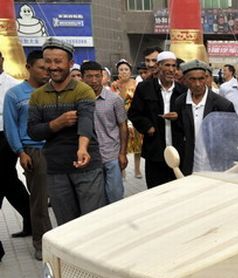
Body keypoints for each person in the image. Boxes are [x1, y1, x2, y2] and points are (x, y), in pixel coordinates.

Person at [28, 38, 106, 226]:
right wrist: (57, 123)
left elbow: (86, 121)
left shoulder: (83, 90)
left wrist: (82, 149)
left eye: (58, 61)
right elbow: (33, 131)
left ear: (70, 64)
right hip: (55, 168)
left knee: (92, 222)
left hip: (86, 166)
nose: (52, 66)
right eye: (48, 61)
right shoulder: (37, 96)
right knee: (66, 226)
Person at [3, 50, 51, 260]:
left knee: (63, 197)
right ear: (29, 67)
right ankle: (41, 243)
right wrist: (21, 152)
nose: (46, 72)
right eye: (42, 68)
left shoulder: (54, 91)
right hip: (34, 151)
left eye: (49, 68)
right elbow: (11, 127)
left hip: (57, 150)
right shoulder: (15, 94)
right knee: (39, 201)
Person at [128, 51, 186, 188]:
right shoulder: (144, 88)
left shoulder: (182, 91)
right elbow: (134, 113)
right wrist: (148, 127)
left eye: (174, 66)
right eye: (167, 65)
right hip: (155, 150)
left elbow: (189, 117)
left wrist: (178, 117)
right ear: (158, 66)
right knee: (156, 190)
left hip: (178, 151)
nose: (171, 69)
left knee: (178, 189)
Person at [172, 59, 235, 175]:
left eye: (201, 79)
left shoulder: (222, 105)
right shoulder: (180, 102)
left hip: (215, 165)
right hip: (190, 163)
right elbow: (178, 134)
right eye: (192, 79)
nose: (197, 84)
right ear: (185, 80)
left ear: (206, 78)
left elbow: (231, 136)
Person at [81, 61, 128, 203]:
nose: (94, 80)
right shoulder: (78, 100)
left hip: (111, 155)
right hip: (90, 157)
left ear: (102, 76)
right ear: (83, 78)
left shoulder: (114, 99)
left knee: (115, 196)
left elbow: (123, 126)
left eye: (97, 76)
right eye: (89, 76)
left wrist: (122, 153)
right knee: (96, 199)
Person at [0, 50, 31, 238]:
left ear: (2, 60)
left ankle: (32, 221)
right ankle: (31, 220)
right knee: (9, 182)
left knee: (4, 177)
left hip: (6, 136)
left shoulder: (12, 85)